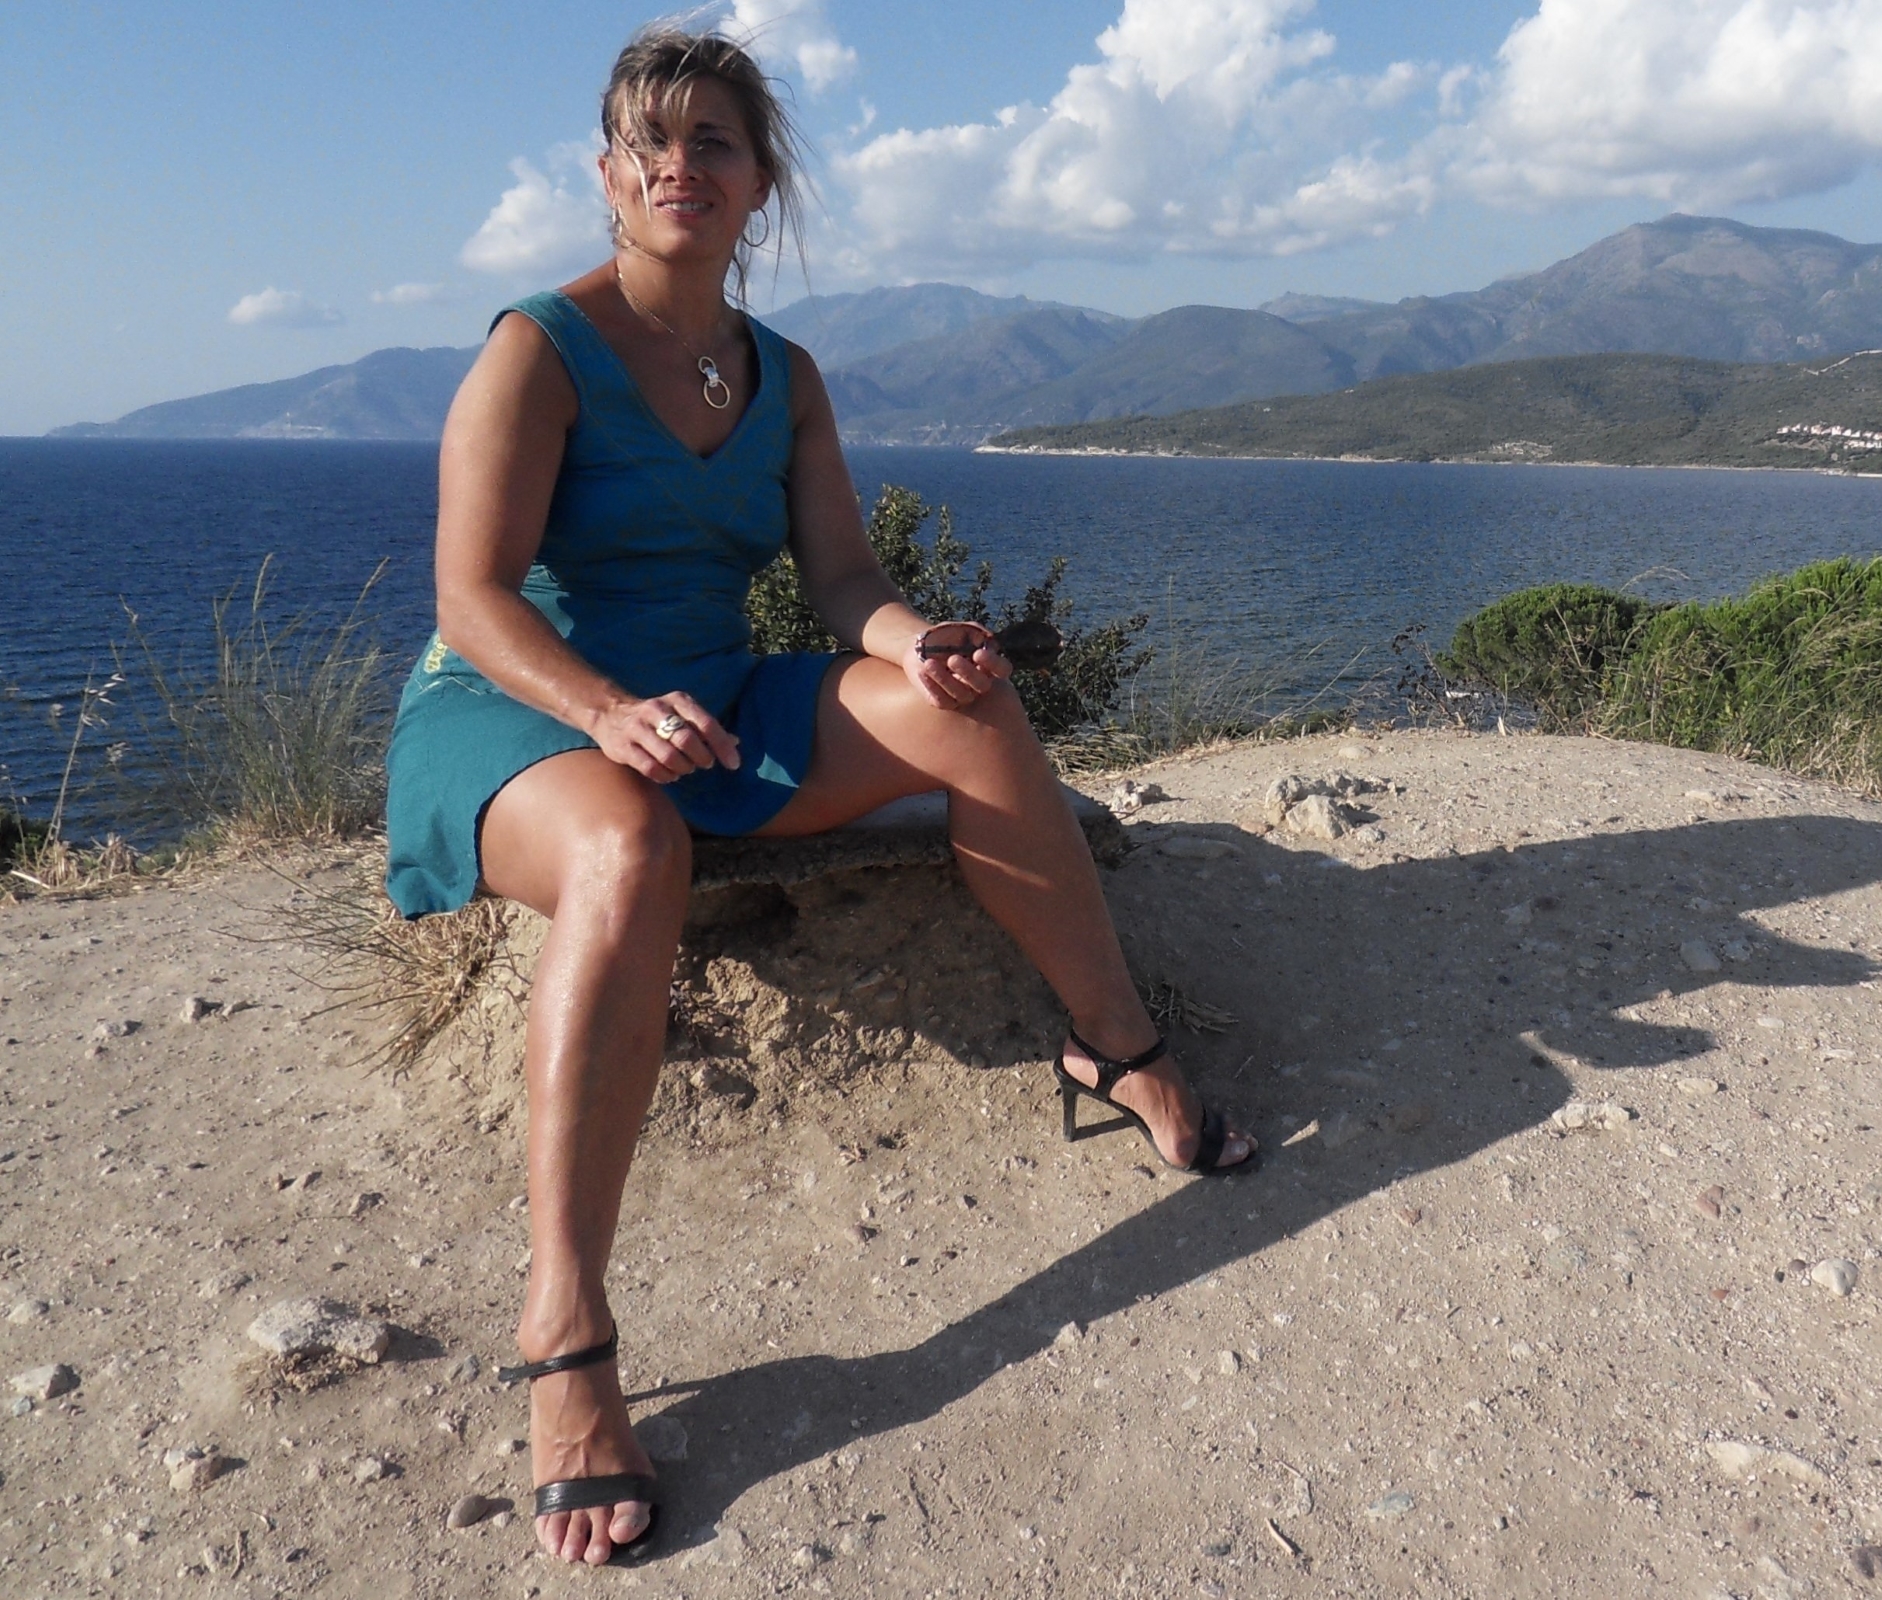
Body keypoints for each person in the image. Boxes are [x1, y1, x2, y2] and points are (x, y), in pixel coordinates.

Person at [382, 23, 1256, 1569]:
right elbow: (471, 598)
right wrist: (604, 711)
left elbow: (845, 580)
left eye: (711, 140)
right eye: (649, 141)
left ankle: (1114, 1046)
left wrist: (921, 645)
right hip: (521, 713)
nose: (679, 164)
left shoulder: (781, 375)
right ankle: (566, 1327)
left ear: (758, 182)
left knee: (971, 715)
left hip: (708, 698)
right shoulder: (539, 348)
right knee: (627, 846)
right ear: (606, 176)